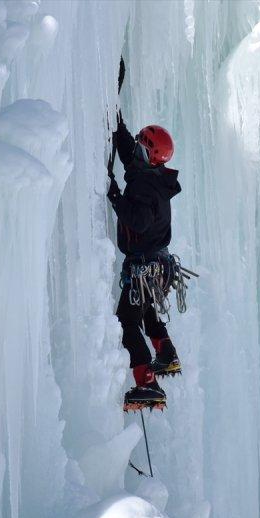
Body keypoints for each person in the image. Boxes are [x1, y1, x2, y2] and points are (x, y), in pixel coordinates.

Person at [107, 114, 182, 411]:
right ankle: (165, 352)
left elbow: (138, 221)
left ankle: (147, 382)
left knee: (127, 320)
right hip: (158, 268)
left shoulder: (144, 187)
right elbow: (129, 154)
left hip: (146, 268)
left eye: (141, 147)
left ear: (149, 156)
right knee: (146, 310)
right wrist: (117, 119)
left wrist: (114, 195)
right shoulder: (151, 177)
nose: (135, 148)